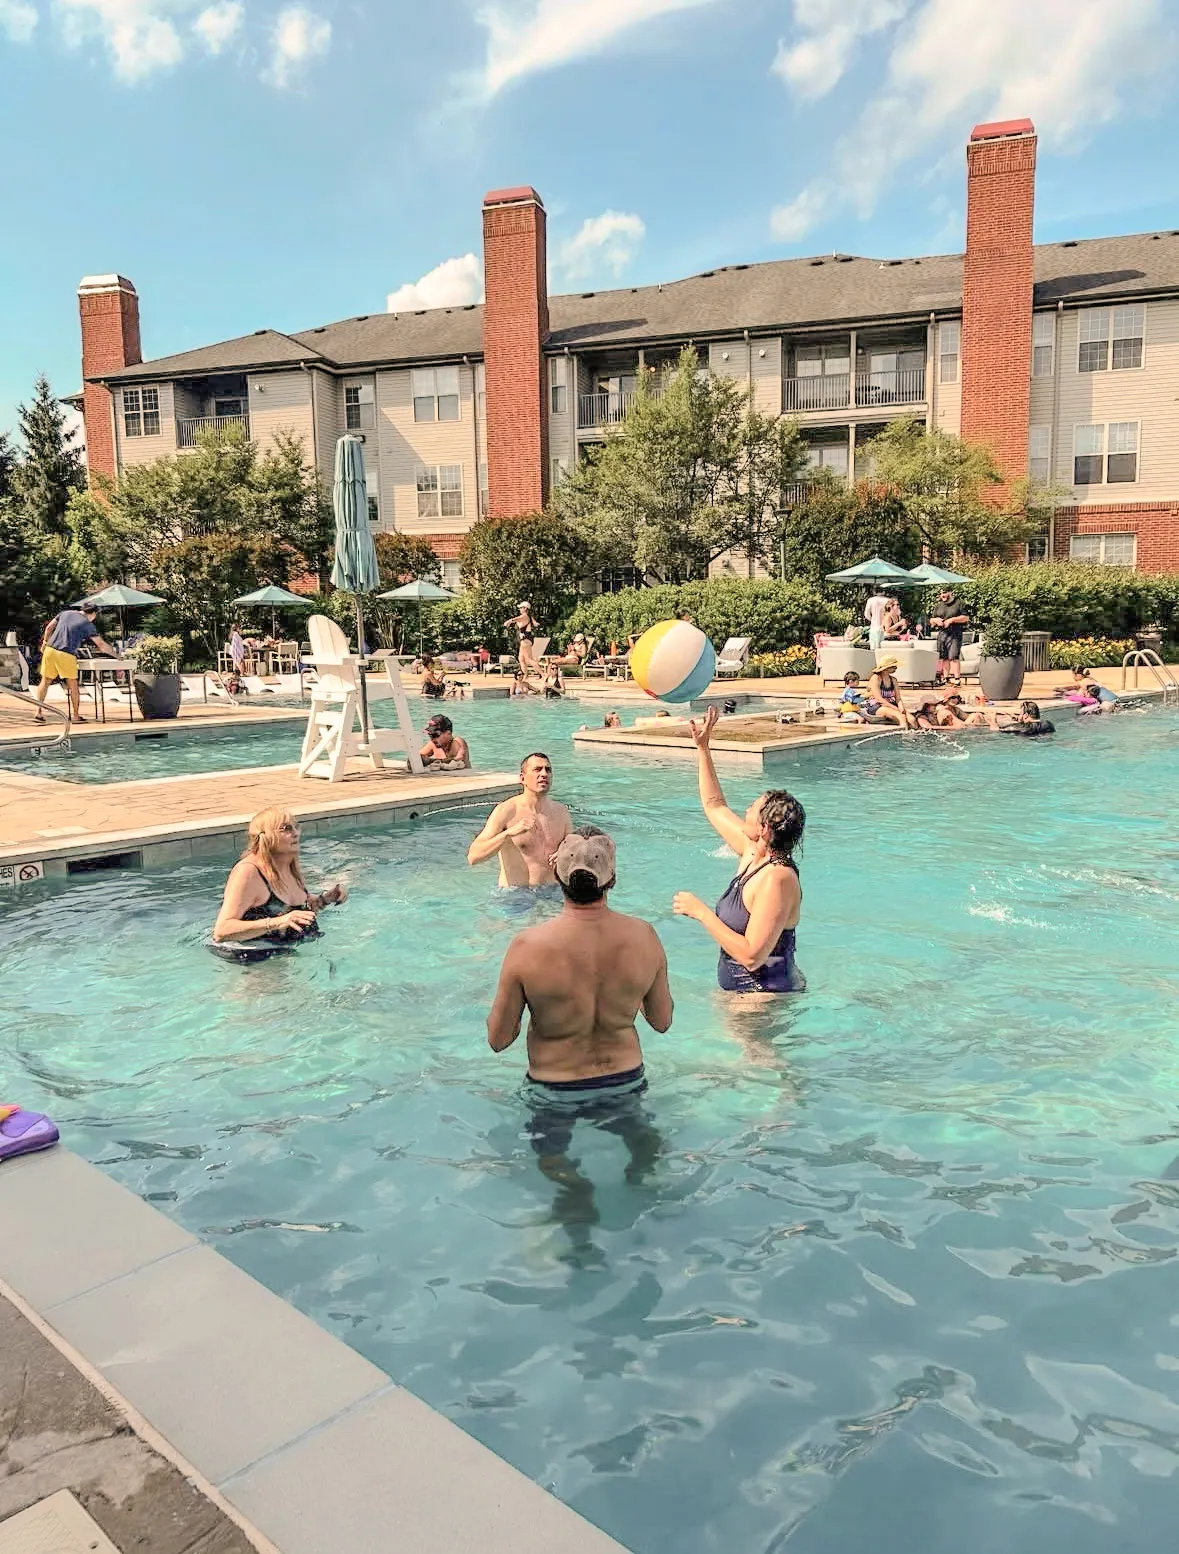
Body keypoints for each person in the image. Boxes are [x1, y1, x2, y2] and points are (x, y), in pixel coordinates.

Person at [486, 828, 672, 1257]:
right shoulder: (644, 936)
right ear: (612, 879)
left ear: (558, 876)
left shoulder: (527, 946)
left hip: (555, 1087)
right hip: (625, 1080)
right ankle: (641, 1187)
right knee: (643, 1146)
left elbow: (499, 1039)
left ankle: (573, 1195)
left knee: (554, 1159)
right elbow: (661, 1021)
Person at [672, 706, 806, 993]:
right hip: (742, 993)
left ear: (765, 829)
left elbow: (752, 955)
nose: (745, 809)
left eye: (752, 808)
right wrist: (703, 749)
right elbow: (714, 805)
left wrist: (701, 913)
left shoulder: (777, 879)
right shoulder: (751, 852)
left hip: (763, 996)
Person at [212, 807, 346, 956]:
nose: (295, 833)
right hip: (256, 962)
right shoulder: (249, 872)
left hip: (288, 955)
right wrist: (277, 922)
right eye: (286, 829)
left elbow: (291, 910)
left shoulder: (288, 866)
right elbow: (222, 931)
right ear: (266, 836)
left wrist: (324, 900)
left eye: (296, 826)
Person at [467, 752, 572, 887]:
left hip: (554, 890)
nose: (544, 774)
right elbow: (473, 857)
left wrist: (567, 852)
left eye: (548, 770)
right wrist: (508, 833)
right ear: (522, 778)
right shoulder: (506, 811)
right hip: (515, 894)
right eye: (537, 769)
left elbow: (574, 850)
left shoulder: (561, 812)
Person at [32, 603, 116, 724]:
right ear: (92, 614)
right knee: (73, 685)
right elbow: (101, 645)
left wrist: (45, 642)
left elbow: (49, 628)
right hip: (66, 654)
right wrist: (117, 656)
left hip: (50, 650)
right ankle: (76, 716)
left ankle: (38, 712)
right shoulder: (87, 624)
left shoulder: (65, 613)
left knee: (45, 682)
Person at [930, 589, 969, 686]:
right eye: (941, 593)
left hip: (955, 634)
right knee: (944, 657)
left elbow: (966, 618)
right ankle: (945, 678)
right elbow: (931, 620)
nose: (942, 595)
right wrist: (935, 620)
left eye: (945, 593)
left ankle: (957, 679)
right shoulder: (939, 606)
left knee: (954, 657)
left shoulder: (959, 603)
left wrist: (952, 620)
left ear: (951, 592)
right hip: (942, 633)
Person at [866, 656, 912, 728]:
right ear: (886, 668)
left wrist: (901, 707)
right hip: (877, 706)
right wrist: (895, 708)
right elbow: (879, 699)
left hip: (891, 704)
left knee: (912, 719)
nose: (896, 668)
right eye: (893, 666)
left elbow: (898, 698)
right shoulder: (876, 678)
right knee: (901, 717)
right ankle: (904, 737)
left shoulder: (893, 680)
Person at [980, 699, 1056, 737]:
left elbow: (994, 729)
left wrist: (993, 718)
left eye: (1020, 713)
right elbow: (1033, 724)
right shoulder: (1048, 724)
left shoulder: (1020, 727)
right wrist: (1017, 718)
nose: (1019, 715)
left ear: (1026, 715)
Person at [504, 602, 540, 676]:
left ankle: (543, 674)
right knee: (521, 659)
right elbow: (535, 624)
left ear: (525, 608)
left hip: (526, 640)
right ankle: (525, 676)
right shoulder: (528, 616)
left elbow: (517, 619)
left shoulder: (525, 616)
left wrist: (509, 621)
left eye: (521, 608)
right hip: (525, 640)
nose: (520, 609)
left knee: (529, 659)